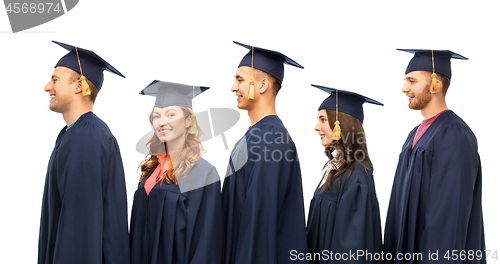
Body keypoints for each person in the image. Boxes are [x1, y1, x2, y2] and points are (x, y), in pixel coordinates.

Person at [384, 49, 486, 263]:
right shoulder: (415, 135)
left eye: (411, 81)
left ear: (435, 85)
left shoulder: (454, 134)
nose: (404, 88)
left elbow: (449, 220)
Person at [39, 41, 129, 264]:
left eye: (55, 79)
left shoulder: (86, 138)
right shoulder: (74, 133)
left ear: (79, 86)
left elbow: (79, 231)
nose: (47, 87)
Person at [222, 41, 308, 264]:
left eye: (239, 79)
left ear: (262, 85)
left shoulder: (272, 140)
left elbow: (259, 223)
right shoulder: (257, 136)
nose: (233, 87)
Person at [130, 81, 223, 264]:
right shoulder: (151, 171)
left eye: (171, 114)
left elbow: (206, 244)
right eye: (156, 116)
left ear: (189, 120)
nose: (162, 122)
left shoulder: (204, 174)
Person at [307, 85, 383, 263]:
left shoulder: (356, 176)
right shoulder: (338, 169)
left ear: (339, 124)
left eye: (323, 119)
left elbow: (350, 253)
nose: (316, 126)